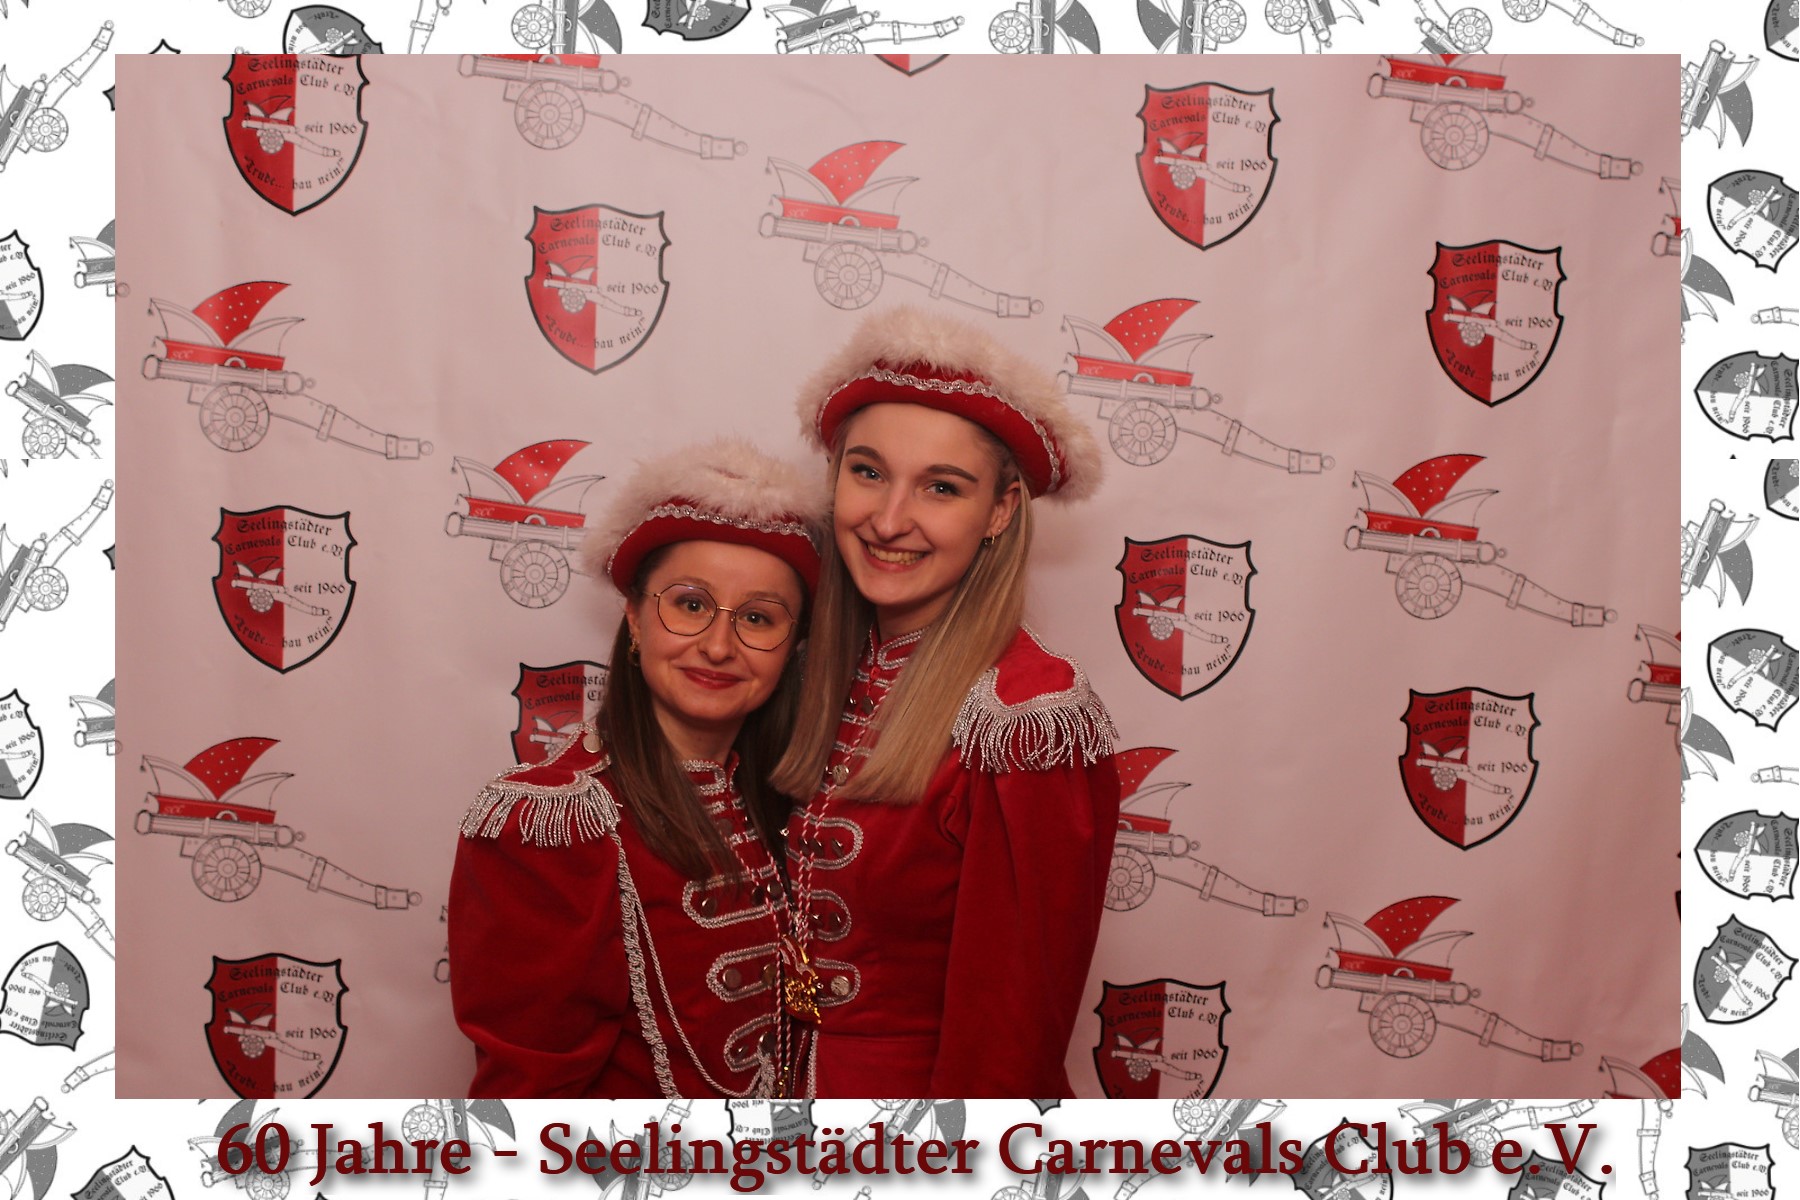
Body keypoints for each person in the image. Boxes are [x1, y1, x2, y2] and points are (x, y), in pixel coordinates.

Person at [771, 306, 1123, 1097]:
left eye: (941, 487)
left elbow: (1010, 1040)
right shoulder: (818, 670)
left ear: (1000, 511)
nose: (889, 519)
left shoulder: (1024, 718)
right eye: (868, 472)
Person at [449, 438, 826, 1097]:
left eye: (758, 618)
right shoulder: (555, 821)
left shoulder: (783, 803)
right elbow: (528, 1098)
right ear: (635, 618)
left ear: (791, 647)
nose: (718, 645)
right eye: (690, 604)